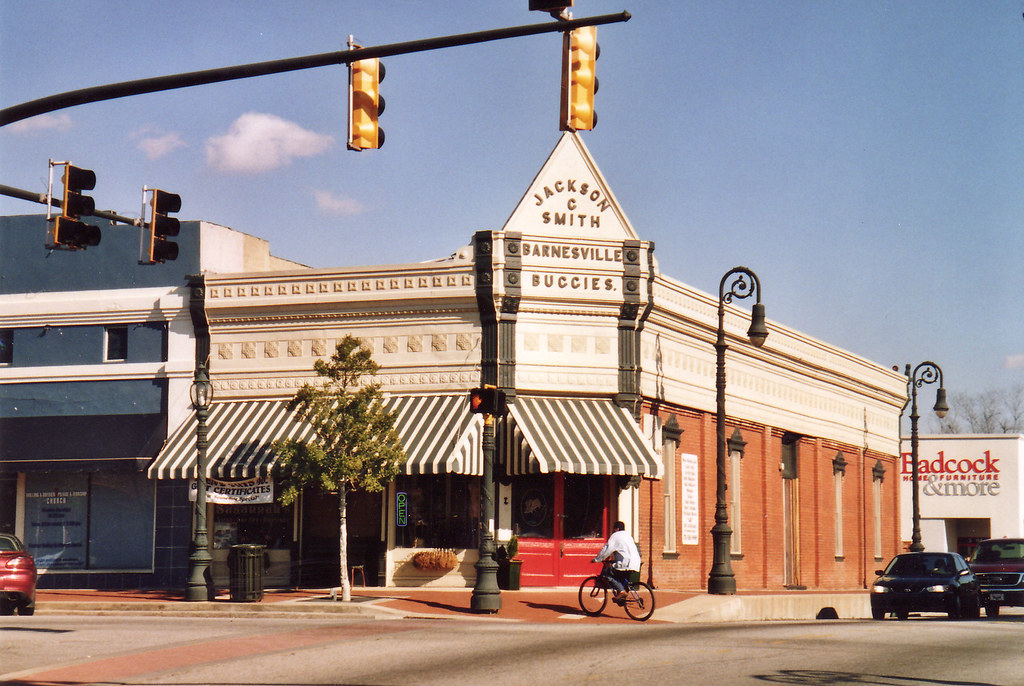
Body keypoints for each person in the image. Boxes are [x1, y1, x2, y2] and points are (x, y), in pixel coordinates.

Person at [592, 521, 641, 603]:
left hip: (626, 563)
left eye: (614, 529)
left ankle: (621, 592)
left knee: (606, 573)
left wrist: (597, 559)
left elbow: (607, 549)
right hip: (635, 563)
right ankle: (622, 598)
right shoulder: (628, 536)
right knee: (620, 576)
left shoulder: (615, 536)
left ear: (617, 529)